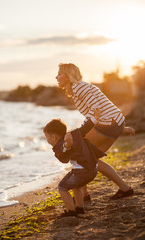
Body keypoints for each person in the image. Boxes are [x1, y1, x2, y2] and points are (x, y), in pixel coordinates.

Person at [56, 63, 135, 200]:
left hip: (108, 124)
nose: (56, 77)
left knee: (79, 153)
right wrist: (121, 127)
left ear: (68, 76)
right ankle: (124, 189)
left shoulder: (79, 87)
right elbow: (100, 110)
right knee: (92, 159)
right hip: (113, 123)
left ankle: (84, 195)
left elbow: (96, 111)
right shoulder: (79, 88)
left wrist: (82, 131)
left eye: (59, 74)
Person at [43, 118, 106, 218]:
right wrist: (95, 118)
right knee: (76, 186)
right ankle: (79, 209)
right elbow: (85, 128)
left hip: (83, 171)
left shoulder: (60, 144)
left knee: (62, 187)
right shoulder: (74, 134)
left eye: (47, 137)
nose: (47, 140)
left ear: (54, 137)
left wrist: (67, 145)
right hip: (94, 168)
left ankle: (71, 211)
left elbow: (63, 150)